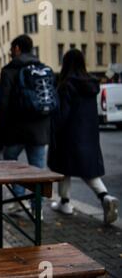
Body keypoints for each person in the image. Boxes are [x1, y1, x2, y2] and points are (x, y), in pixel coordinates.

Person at [48, 49, 119, 225]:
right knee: (89, 172)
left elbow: (63, 114)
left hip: (68, 136)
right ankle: (105, 197)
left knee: (63, 170)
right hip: (88, 135)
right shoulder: (91, 85)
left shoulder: (66, 85)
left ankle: (65, 203)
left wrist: (53, 128)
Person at [0, 35, 52, 214]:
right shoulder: (43, 69)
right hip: (39, 130)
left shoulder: (9, 70)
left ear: (17, 48)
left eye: (12, 49)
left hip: (15, 130)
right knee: (37, 171)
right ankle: (38, 209)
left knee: (11, 165)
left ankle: (19, 202)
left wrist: (0, 128)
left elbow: (3, 103)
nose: (10, 52)